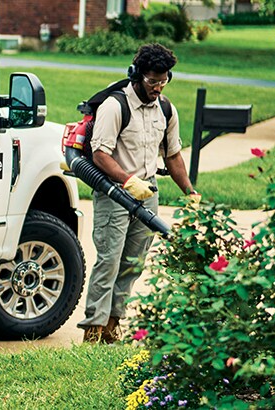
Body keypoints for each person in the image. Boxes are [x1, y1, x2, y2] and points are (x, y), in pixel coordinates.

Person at [80, 43, 199, 343]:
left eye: (164, 80)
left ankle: (112, 325)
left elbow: (172, 156)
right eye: (152, 81)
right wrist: (127, 180)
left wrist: (189, 191)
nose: (158, 87)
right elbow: (100, 155)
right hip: (115, 193)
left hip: (148, 193)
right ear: (136, 75)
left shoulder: (166, 109)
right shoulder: (114, 106)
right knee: (109, 260)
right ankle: (93, 329)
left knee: (134, 262)